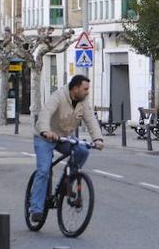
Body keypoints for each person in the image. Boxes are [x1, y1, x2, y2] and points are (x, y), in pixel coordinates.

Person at [30, 74, 104, 225]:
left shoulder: (83, 102)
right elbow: (45, 114)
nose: (87, 92)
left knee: (82, 150)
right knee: (44, 171)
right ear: (75, 88)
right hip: (45, 136)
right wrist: (45, 131)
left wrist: (98, 139)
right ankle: (36, 209)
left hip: (64, 137)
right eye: (85, 89)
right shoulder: (58, 97)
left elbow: (91, 120)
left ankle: (66, 183)